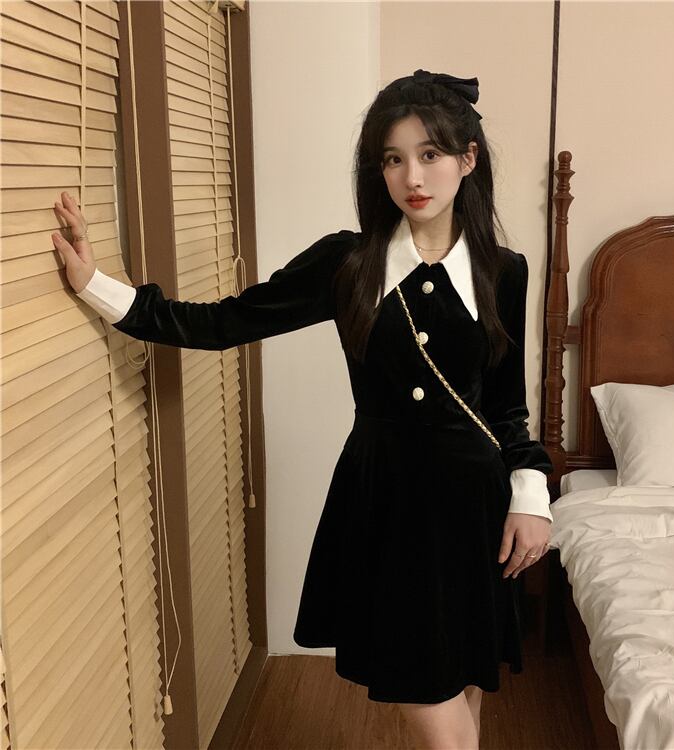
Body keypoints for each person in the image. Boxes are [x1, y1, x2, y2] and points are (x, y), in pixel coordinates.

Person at [52, 68, 554, 750]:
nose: (412, 176)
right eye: (393, 158)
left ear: (468, 159)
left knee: (464, 680)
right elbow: (223, 322)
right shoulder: (348, 263)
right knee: (431, 699)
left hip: (475, 505)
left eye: (431, 153)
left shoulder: (505, 269)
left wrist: (531, 497)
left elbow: (506, 406)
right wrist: (98, 287)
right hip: (387, 500)